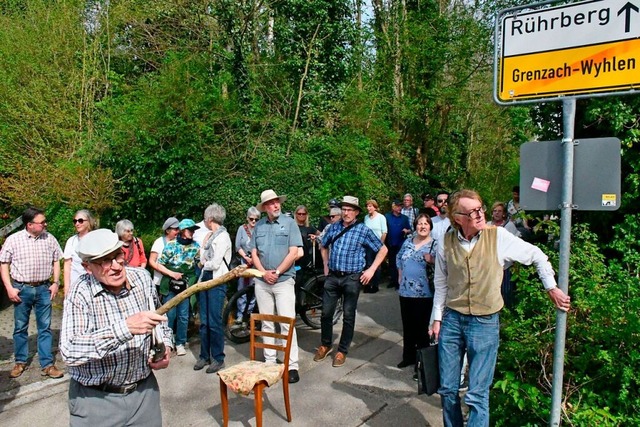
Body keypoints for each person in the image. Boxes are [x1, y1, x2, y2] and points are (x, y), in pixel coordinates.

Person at [430, 189, 571, 427]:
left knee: (477, 394)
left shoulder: (498, 237)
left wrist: (552, 288)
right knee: (447, 390)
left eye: (480, 208)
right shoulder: (446, 240)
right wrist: (437, 319)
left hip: (484, 323)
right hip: (453, 319)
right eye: (472, 211)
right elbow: (441, 282)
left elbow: (537, 255)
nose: (479, 214)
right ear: (457, 217)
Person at [60, 228, 172, 427]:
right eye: (104, 261)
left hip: (144, 395)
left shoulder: (142, 279)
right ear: (87, 267)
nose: (116, 267)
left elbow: (158, 319)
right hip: (96, 402)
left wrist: (165, 346)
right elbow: (69, 350)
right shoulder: (80, 292)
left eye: (117, 256)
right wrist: (124, 329)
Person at [316, 196, 388, 367]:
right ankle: (326, 344)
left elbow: (383, 249)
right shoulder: (334, 228)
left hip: (352, 278)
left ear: (356, 212)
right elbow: (323, 245)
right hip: (333, 276)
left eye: (350, 210)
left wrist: (371, 270)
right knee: (326, 313)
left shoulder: (363, 230)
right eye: (344, 209)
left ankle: (342, 350)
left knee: (348, 315)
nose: (346, 213)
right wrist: (326, 265)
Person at [0, 207, 64, 379]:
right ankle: (20, 362)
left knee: (45, 328)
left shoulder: (49, 238)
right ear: (29, 225)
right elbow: (4, 263)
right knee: (20, 327)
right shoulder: (13, 240)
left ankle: (47, 365)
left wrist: (56, 283)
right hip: (22, 289)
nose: (45, 224)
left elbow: (56, 260)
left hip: (44, 289)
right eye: (42, 222)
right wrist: (9, 287)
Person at [250, 189, 303, 384]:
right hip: (262, 281)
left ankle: (291, 365)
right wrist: (263, 273)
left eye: (277, 202)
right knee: (266, 322)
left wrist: (277, 272)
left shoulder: (290, 223)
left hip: (284, 280)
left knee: (286, 322)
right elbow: (254, 252)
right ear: (264, 208)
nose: (275, 205)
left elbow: (293, 252)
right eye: (271, 203)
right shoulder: (260, 226)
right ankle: (270, 363)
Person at [194, 204, 232, 374]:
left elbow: (214, 263)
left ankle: (218, 357)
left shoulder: (223, 237)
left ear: (210, 219)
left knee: (214, 321)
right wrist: (203, 246)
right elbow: (203, 256)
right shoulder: (210, 237)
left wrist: (203, 263)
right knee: (204, 321)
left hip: (217, 280)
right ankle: (204, 355)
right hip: (205, 279)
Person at [396, 213, 436, 369]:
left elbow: (443, 266)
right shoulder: (407, 242)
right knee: (408, 326)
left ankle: (422, 363)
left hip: (424, 294)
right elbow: (399, 258)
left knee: (422, 329)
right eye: (420, 223)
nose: (423, 226)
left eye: (426, 223)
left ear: (430, 227)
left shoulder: (435, 245)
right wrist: (400, 275)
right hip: (405, 292)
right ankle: (408, 357)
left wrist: (431, 260)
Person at [156, 219, 201, 356]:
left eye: (193, 230)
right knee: (170, 314)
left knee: (183, 315)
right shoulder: (171, 245)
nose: (192, 233)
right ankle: (167, 343)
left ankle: (180, 342)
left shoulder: (196, 246)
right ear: (182, 231)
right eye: (190, 230)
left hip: (186, 283)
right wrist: (172, 273)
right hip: (170, 283)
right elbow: (159, 263)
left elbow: (198, 265)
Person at [233, 207, 260, 325]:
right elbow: (237, 246)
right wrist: (246, 257)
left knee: (254, 288)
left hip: (256, 262)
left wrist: (254, 258)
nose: (253, 221)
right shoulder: (241, 229)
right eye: (251, 219)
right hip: (244, 263)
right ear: (247, 218)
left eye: (256, 219)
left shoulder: (260, 229)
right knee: (242, 288)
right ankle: (240, 314)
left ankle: (248, 313)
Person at [63, 209, 98, 296]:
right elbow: (67, 266)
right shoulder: (71, 241)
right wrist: (66, 288)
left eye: (80, 221)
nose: (77, 224)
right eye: (75, 221)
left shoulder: (97, 239)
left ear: (89, 221)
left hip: (95, 284)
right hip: (76, 286)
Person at [384, 199, 411, 289]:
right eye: (398, 206)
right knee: (391, 263)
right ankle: (393, 280)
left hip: (401, 244)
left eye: (401, 206)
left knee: (399, 263)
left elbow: (410, 229)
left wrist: (407, 231)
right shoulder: (387, 217)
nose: (400, 208)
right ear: (393, 207)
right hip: (390, 243)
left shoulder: (404, 218)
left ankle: (400, 282)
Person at [148, 217, 180, 292]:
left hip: (176, 282)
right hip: (160, 281)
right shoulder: (158, 242)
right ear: (168, 230)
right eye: (175, 229)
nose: (178, 231)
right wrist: (163, 271)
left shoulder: (180, 242)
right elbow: (151, 261)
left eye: (178, 229)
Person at [363, 199, 387, 293]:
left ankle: (375, 285)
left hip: (378, 244)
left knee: (377, 265)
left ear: (375, 207)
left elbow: (384, 232)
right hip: (368, 245)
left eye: (370, 206)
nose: (368, 208)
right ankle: (368, 284)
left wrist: (380, 244)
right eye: (367, 206)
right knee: (368, 264)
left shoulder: (381, 217)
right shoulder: (366, 218)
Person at [294, 205, 320, 273]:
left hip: (307, 258)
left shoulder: (310, 227)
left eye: (303, 214)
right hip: (295, 257)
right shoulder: (292, 226)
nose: (301, 215)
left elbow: (321, 234)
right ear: (296, 214)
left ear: (306, 215)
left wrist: (315, 237)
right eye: (299, 213)